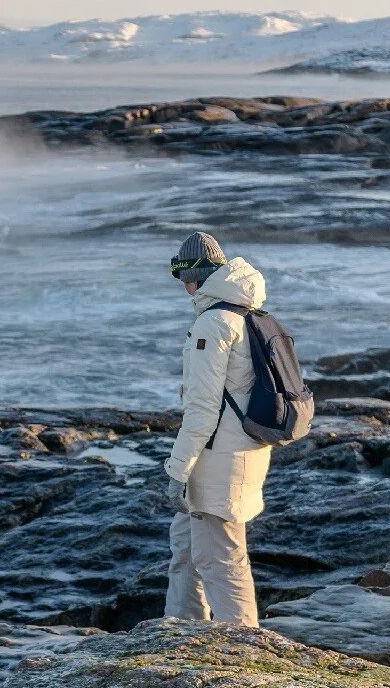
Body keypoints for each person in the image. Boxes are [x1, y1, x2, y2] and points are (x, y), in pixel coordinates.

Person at [161, 231, 272, 627]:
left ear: (195, 273)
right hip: (239, 451)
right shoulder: (248, 316)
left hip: (217, 459)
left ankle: (243, 647)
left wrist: (176, 470)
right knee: (187, 549)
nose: (181, 286)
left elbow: (203, 410)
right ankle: (180, 631)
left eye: (180, 274)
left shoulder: (214, 324)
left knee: (222, 559)